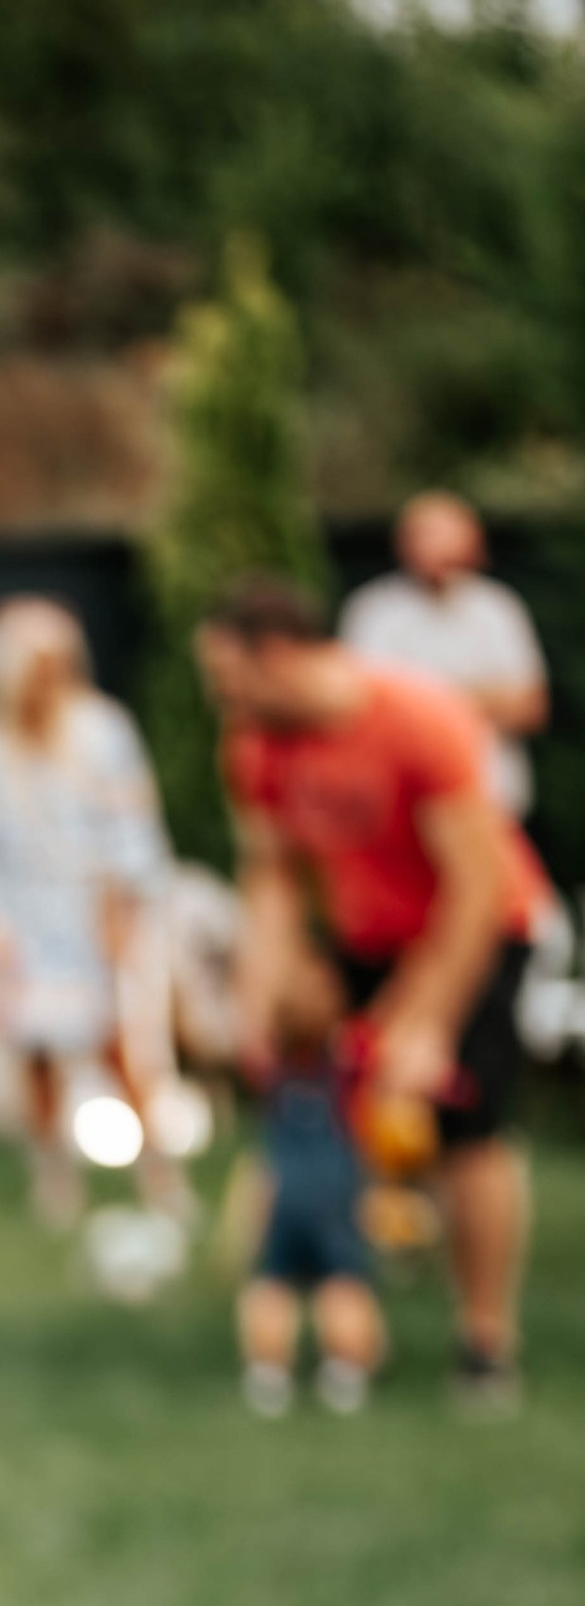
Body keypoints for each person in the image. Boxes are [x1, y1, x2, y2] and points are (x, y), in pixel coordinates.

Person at [200, 573, 545, 1414]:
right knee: (340, 1118)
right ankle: (349, 1315)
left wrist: (424, 1021)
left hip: (480, 929)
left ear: (276, 655)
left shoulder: (419, 719)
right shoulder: (255, 746)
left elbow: (475, 886)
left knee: (467, 1134)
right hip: (365, 937)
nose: (224, 699)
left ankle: (485, 1342)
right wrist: (262, 985)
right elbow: (273, 876)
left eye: (229, 678)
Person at [0, 597, 175, 1228]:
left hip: (87, 911)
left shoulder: (101, 732)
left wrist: (120, 912)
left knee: (117, 1048)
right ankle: (54, 1171)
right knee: (36, 1053)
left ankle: (156, 1169)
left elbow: (129, 830)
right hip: (20, 919)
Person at [237, 945, 387, 1417]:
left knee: (272, 1284)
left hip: (282, 1194)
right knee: (342, 1283)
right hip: (335, 1197)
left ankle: (269, 1372)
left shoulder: (269, 1068)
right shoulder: (350, 1066)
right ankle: (346, 1370)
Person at [339, 493, 550, 821]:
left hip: (494, 795)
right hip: (400, 801)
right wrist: (479, 698)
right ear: (402, 544)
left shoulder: (498, 608)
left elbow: (529, 707)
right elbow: (362, 706)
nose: (434, 548)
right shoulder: (373, 610)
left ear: (472, 542)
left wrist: (424, 701)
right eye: (423, 535)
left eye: (445, 535)